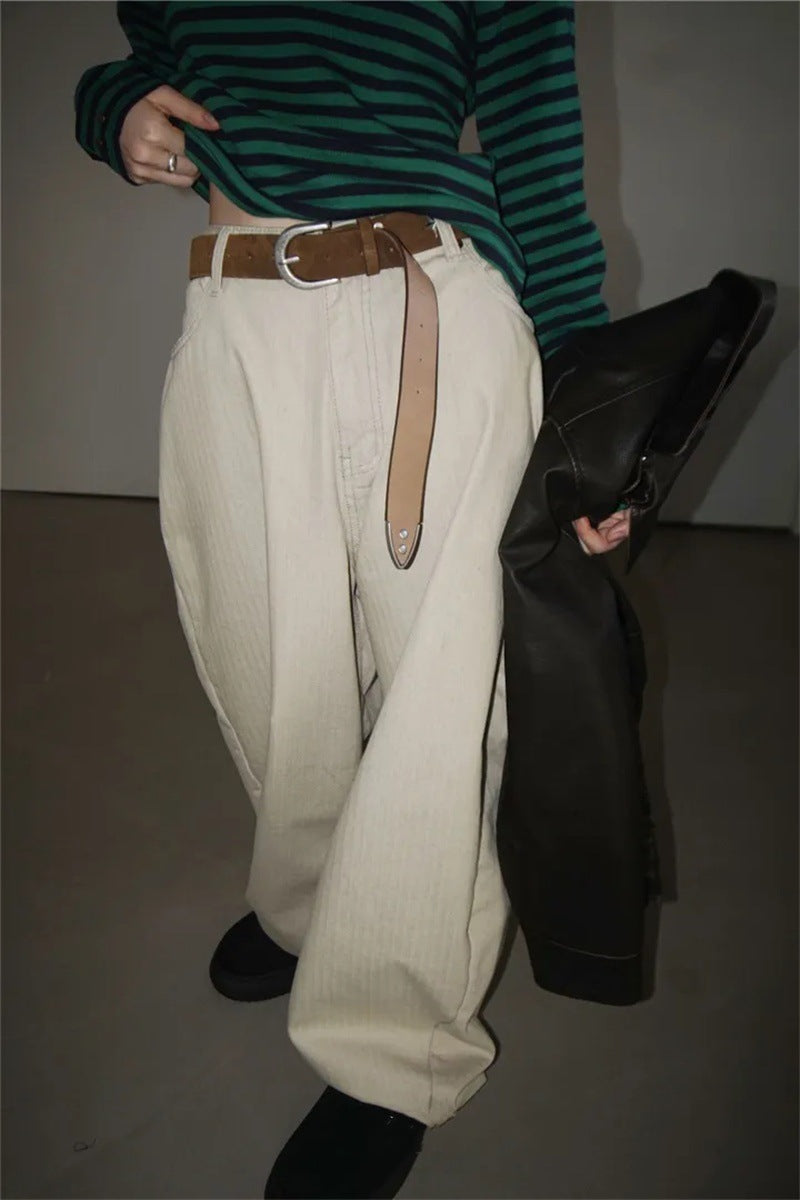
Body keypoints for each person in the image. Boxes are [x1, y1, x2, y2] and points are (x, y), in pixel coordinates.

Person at [74, 3, 631, 1196]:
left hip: (422, 303)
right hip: (236, 312)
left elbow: (536, 153)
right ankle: (309, 906)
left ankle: (393, 1049)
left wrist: (590, 424)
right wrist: (110, 106)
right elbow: (162, 65)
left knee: (439, 702)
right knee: (270, 670)